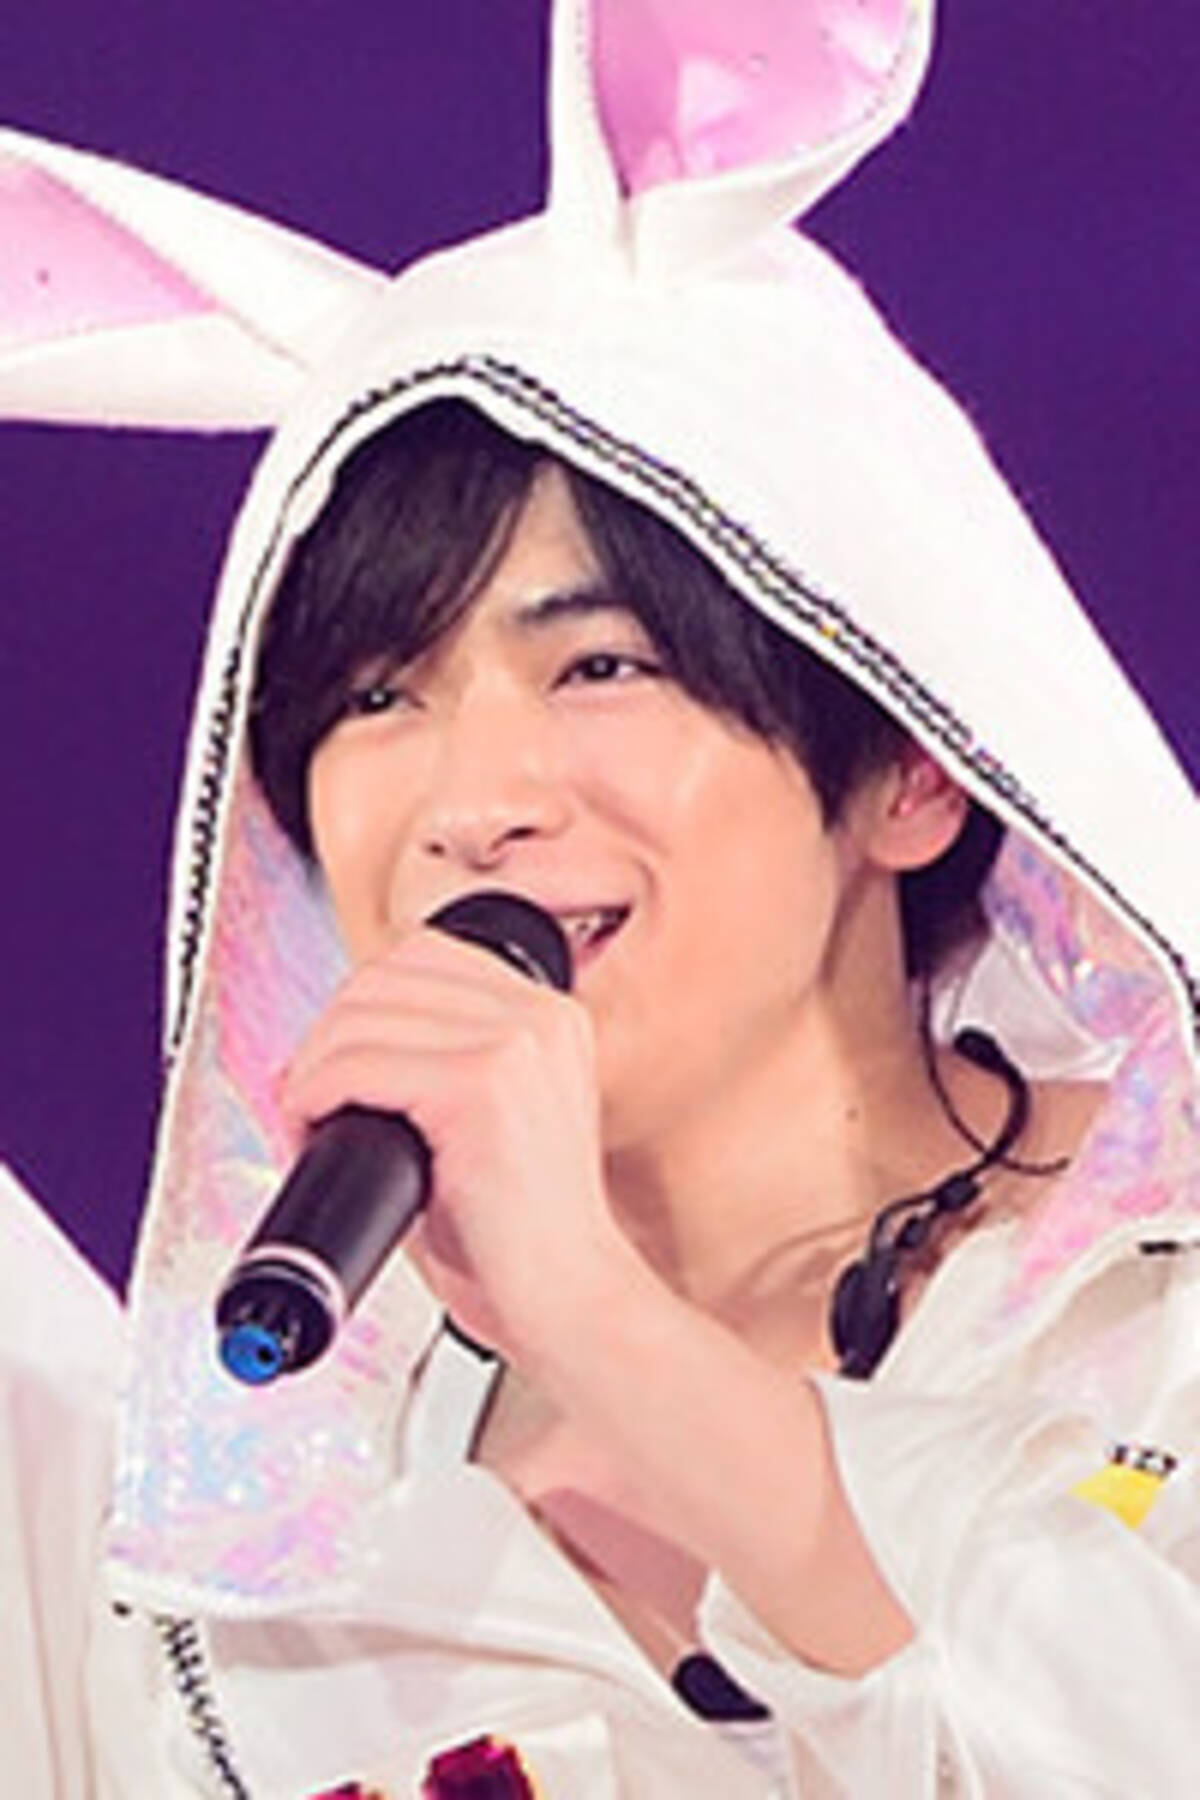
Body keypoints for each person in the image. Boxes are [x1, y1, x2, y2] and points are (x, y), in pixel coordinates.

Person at [2, 3, 1198, 1795]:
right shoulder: (250, 1501)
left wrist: (600, 1317)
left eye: (602, 666)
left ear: (911, 761)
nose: (472, 801)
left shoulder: (1152, 1312)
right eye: (375, 697)